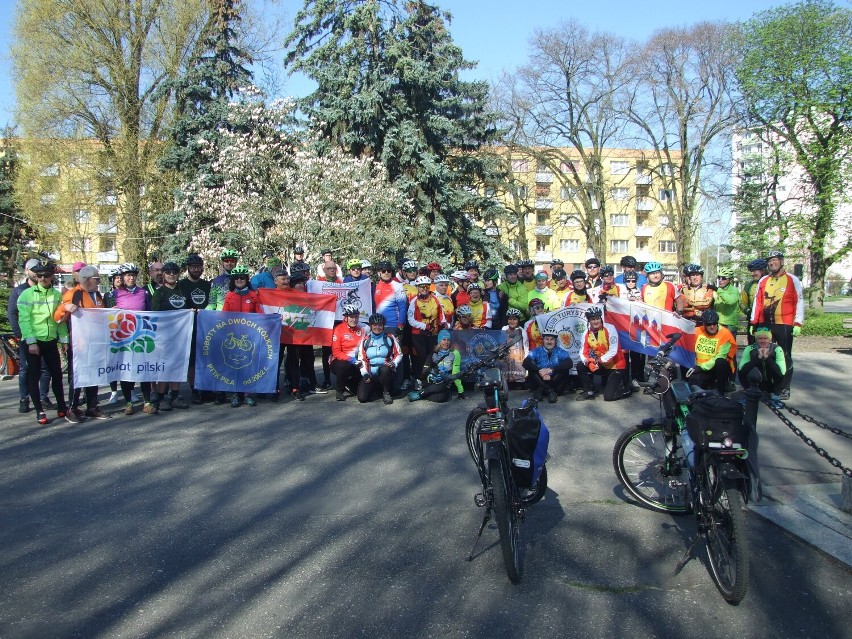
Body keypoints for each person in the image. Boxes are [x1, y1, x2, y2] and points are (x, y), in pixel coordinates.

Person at [17, 261, 74, 425]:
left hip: (50, 340)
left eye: (46, 276)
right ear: (35, 277)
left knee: (56, 374)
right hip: (33, 341)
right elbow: (24, 320)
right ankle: (39, 410)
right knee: (34, 375)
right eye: (39, 276)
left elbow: (60, 319)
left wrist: (64, 340)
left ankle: (62, 406)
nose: (43, 278)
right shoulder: (27, 295)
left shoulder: (56, 295)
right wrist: (31, 341)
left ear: (52, 277)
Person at [53, 265, 108, 419]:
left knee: (93, 374)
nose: (99, 282)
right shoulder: (73, 294)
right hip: (79, 343)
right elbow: (57, 317)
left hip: (96, 342)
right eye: (97, 279)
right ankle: (72, 408)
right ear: (88, 279)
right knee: (76, 376)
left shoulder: (97, 295)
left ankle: (92, 406)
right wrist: (65, 307)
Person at [748, 249, 803, 400]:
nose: (773, 263)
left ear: (782, 261)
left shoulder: (792, 279)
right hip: (766, 324)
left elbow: (800, 301)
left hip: (784, 324)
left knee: (785, 356)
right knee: (764, 355)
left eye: (775, 260)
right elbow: (757, 303)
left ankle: (784, 387)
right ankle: (767, 385)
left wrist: (798, 322)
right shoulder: (764, 280)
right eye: (770, 261)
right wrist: (754, 322)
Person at [114, 262, 158, 415]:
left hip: (140, 336)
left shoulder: (143, 292)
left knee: (143, 369)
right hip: (123, 337)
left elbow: (150, 312)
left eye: (133, 275)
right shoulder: (115, 294)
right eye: (128, 275)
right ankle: (129, 402)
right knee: (126, 370)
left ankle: (147, 402)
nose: (131, 278)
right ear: (122, 277)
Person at [8, 258, 52, 413]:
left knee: (46, 369)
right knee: (26, 369)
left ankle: (43, 397)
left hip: (45, 337)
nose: (37, 273)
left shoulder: (48, 289)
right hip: (27, 338)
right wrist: (20, 335)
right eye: (34, 270)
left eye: (39, 271)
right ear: (27, 271)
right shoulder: (19, 291)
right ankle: (24, 398)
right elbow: (13, 314)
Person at [151, 262, 192, 410]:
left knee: (176, 365)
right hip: (164, 335)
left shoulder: (182, 291)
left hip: (180, 335)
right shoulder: (159, 292)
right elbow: (154, 313)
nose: (171, 275)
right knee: (164, 366)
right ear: (164, 275)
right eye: (168, 273)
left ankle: (175, 395)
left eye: (174, 272)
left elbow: (188, 309)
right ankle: (161, 398)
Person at [222, 265, 260, 407]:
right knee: (233, 365)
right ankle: (235, 394)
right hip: (232, 335)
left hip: (248, 336)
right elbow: (224, 315)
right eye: (236, 278)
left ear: (246, 279)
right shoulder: (229, 295)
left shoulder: (253, 295)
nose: (239, 280)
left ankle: (248, 393)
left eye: (242, 278)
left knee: (248, 365)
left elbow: (260, 315)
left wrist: (272, 321)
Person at [575, 306, 630, 401]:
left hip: (616, 365)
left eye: (597, 318)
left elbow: (614, 350)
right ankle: (588, 391)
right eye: (593, 319)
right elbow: (583, 352)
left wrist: (598, 362)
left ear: (601, 318)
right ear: (588, 321)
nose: (596, 321)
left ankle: (627, 389)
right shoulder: (586, 333)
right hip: (602, 365)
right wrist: (589, 362)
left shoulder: (610, 328)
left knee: (608, 397)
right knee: (580, 365)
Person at [180, 253, 211, 403]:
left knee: (205, 356)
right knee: (192, 359)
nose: (196, 269)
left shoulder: (207, 285)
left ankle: (205, 386)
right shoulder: (182, 285)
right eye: (193, 267)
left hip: (206, 326)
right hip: (188, 326)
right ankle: (194, 389)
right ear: (188, 268)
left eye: (199, 267)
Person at [407, 275, 447, 389]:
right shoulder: (414, 301)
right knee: (421, 357)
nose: (424, 288)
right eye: (421, 286)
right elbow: (411, 320)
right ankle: (419, 379)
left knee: (433, 356)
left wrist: (443, 322)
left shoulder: (435, 298)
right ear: (418, 287)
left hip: (433, 333)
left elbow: (441, 314)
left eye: (426, 286)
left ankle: (431, 378)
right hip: (419, 334)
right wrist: (425, 326)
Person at [688, 309, 737, 395]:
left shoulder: (725, 333)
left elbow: (720, 356)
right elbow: (684, 337)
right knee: (693, 385)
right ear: (703, 324)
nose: (712, 326)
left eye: (714, 323)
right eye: (709, 324)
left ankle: (721, 391)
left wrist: (700, 368)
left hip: (719, 368)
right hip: (702, 369)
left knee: (720, 362)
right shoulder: (697, 331)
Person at [408, 329, 465, 402]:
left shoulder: (455, 353)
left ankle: (421, 394)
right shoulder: (434, 353)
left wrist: (460, 391)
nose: (446, 342)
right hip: (432, 381)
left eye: (448, 340)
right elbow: (425, 369)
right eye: (443, 339)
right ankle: (422, 392)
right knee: (438, 391)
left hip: (445, 382)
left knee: (441, 398)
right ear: (439, 341)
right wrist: (427, 377)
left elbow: (455, 373)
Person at [357, 314, 402, 404]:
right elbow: (362, 359)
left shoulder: (390, 337)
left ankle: (386, 393)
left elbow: (399, 354)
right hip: (371, 373)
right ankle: (377, 389)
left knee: (384, 368)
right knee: (362, 398)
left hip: (386, 372)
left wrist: (394, 363)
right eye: (375, 325)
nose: (377, 327)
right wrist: (365, 374)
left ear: (383, 326)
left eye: (380, 325)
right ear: (370, 325)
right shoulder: (366, 340)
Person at [738, 326, 787, 402]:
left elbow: (781, 373)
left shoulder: (777, 349)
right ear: (756, 340)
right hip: (755, 384)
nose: (763, 341)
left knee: (788, 365)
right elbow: (742, 370)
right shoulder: (749, 348)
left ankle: (776, 395)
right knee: (742, 368)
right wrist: (758, 357)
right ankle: (748, 391)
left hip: (771, 384)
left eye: (765, 338)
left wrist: (767, 358)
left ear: (770, 339)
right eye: (760, 338)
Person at [523, 329, 573, 403]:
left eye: (552, 339)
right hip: (540, 382)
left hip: (556, 386)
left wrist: (551, 370)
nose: (549, 342)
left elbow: (569, 363)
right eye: (547, 339)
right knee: (531, 367)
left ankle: (542, 389)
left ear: (555, 341)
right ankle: (549, 391)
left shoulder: (560, 351)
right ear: (543, 340)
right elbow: (525, 362)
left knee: (564, 369)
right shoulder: (537, 350)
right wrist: (540, 371)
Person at [330, 303, 365, 401]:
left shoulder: (362, 329)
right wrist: (351, 360)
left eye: (356, 317)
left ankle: (348, 383)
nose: (354, 320)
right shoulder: (338, 329)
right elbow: (336, 352)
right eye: (351, 317)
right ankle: (339, 390)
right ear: (345, 317)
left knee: (356, 391)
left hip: (357, 361)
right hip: (339, 361)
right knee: (344, 365)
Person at [740, 258, 768, 345]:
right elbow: (741, 303)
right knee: (752, 347)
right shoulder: (749, 286)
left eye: (754, 271)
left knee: (768, 348)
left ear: (762, 270)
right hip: (753, 321)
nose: (752, 274)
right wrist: (748, 311)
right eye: (751, 271)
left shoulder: (770, 283)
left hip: (768, 321)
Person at [502, 308, 529, 384]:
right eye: (510, 319)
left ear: (518, 320)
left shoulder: (522, 331)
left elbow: (526, 347)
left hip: (518, 356)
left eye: (514, 319)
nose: (512, 321)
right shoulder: (504, 329)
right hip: (507, 355)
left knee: (518, 378)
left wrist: (526, 361)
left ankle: (518, 382)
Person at [714, 266, 740, 335]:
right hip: (718, 323)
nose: (720, 280)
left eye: (723, 278)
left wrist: (718, 290)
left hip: (730, 325)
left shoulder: (734, 290)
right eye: (719, 277)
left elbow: (730, 301)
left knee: (730, 345)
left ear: (730, 280)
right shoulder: (718, 291)